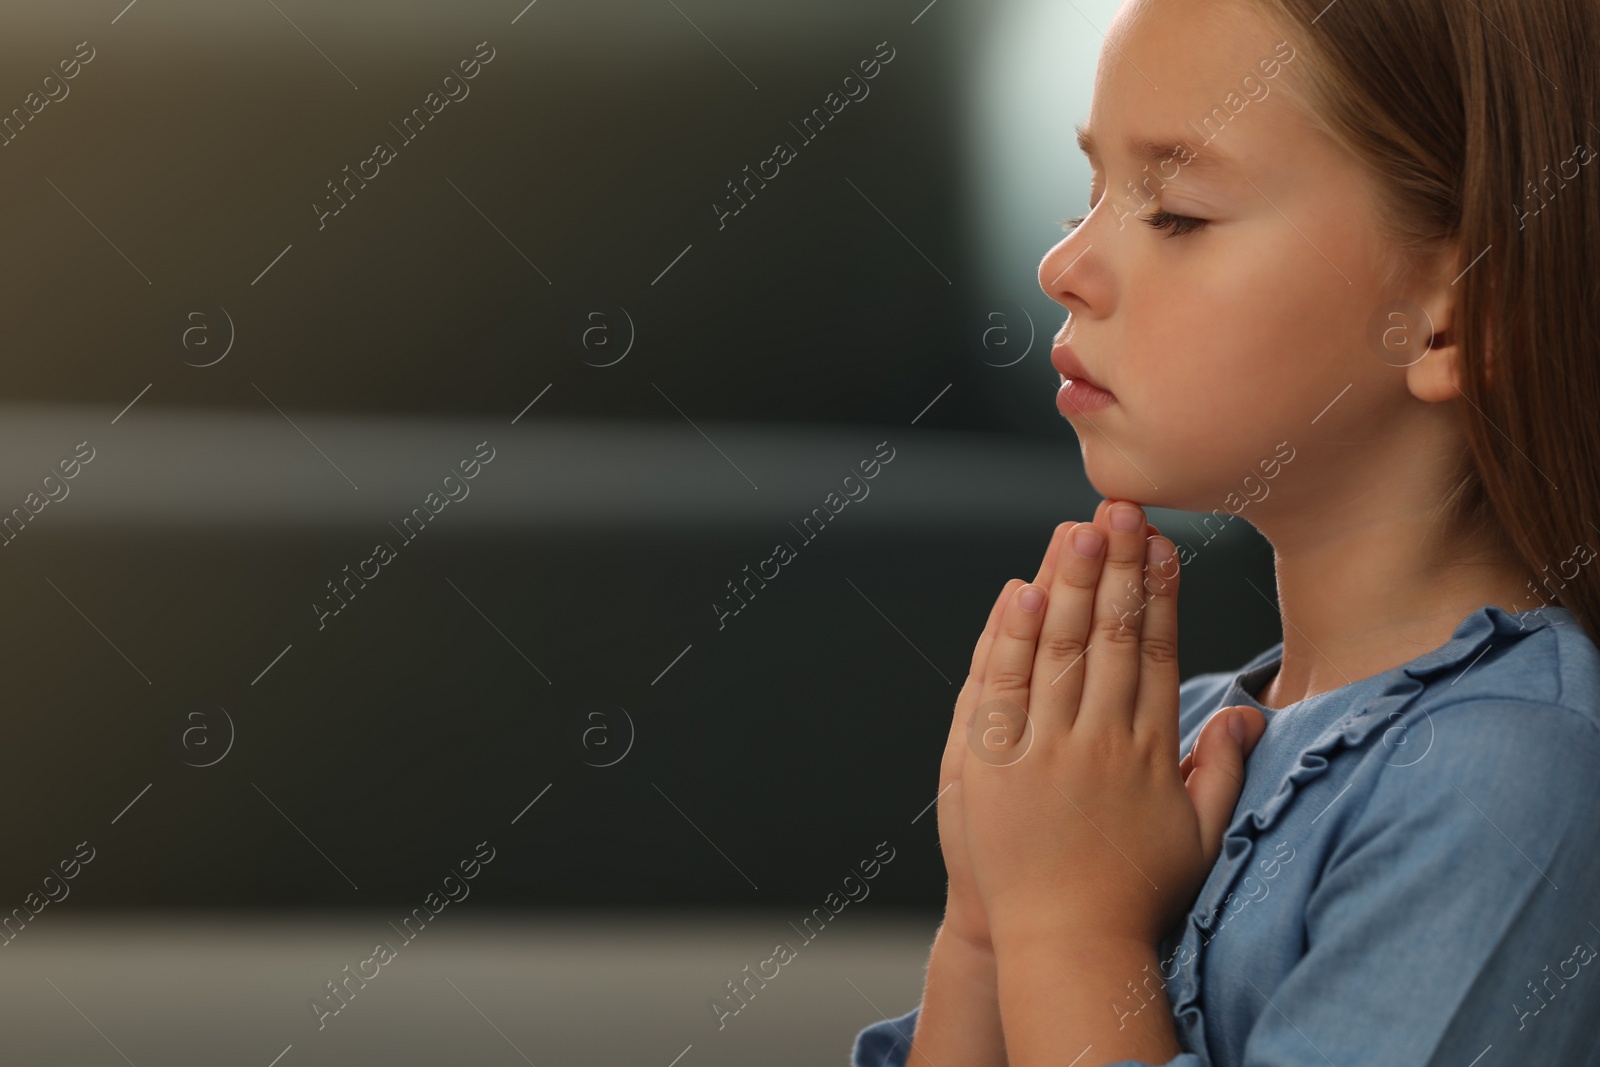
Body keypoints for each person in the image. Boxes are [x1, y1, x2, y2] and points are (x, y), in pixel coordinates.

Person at [851, 0, 1600, 1063]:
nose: (1060, 264)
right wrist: (986, 917)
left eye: (1176, 214)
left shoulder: (1513, 773)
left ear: (1453, 309)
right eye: (1091, 192)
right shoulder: (1170, 746)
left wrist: (1067, 927)